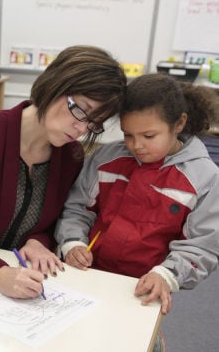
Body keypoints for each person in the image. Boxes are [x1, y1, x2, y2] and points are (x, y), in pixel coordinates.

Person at [0, 45, 127, 299]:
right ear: (55, 84)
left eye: (94, 122)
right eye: (80, 109)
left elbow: (49, 221)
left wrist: (37, 241)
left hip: (12, 280)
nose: (82, 127)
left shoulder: (70, 156)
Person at [55, 73, 219, 317]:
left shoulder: (205, 177)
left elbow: (202, 246)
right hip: (90, 272)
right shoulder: (105, 159)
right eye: (127, 134)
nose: (136, 145)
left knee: (129, 345)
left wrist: (167, 274)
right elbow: (77, 208)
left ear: (179, 124)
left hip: (145, 285)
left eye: (149, 136)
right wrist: (72, 242)